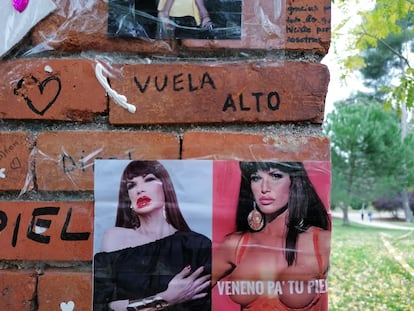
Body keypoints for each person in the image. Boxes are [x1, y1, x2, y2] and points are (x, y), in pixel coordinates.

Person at [94, 160, 211, 311]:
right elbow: (104, 305)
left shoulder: (196, 245)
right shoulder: (115, 238)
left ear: (165, 188)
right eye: (131, 185)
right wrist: (165, 298)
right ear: (128, 199)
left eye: (148, 179)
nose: (139, 190)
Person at [212, 161, 331, 311]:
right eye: (256, 178)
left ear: (294, 182)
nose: (264, 188)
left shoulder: (322, 242)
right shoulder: (235, 244)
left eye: (275, 176)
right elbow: (190, 291)